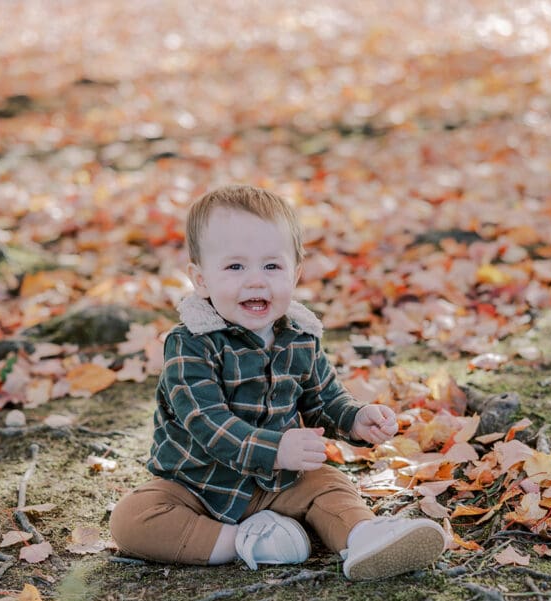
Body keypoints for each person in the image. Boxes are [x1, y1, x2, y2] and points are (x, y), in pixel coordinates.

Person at [109, 185, 447, 580]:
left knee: (330, 485)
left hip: (278, 481)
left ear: (296, 273)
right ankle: (243, 540)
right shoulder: (190, 344)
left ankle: (364, 536)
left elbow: (324, 399)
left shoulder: (300, 337)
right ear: (201, 280)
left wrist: (355, 419)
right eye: (235, 267)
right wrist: (275, 449)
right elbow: (207, 423)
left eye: (272, 267)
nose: (256, 281)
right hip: (196, 485)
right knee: (132, 520)